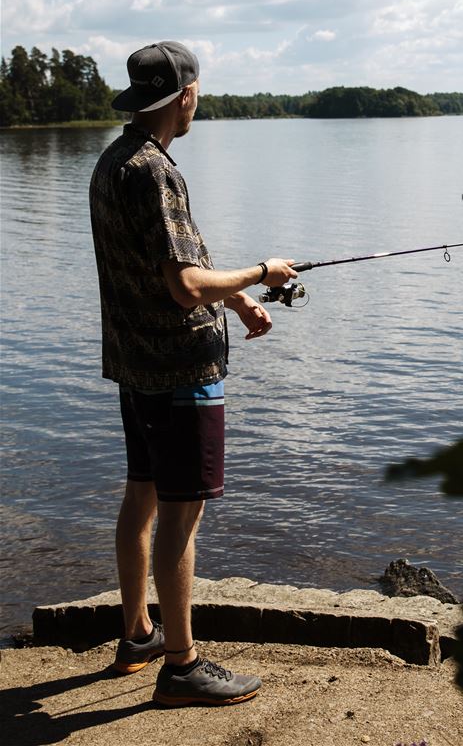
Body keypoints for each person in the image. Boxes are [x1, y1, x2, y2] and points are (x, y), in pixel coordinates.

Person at [89, 41, 297, 706]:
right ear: (183, 95)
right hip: (180, 373)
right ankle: (181, 667)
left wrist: (236, 300)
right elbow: (183, 286)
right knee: (181, 516)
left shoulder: (114, 161)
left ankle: (138, 634)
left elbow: (173, 261)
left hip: (135, 367)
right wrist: (261, 273)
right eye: (196, 90)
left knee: (142, 496)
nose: (197, 99)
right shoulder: (157, 171)